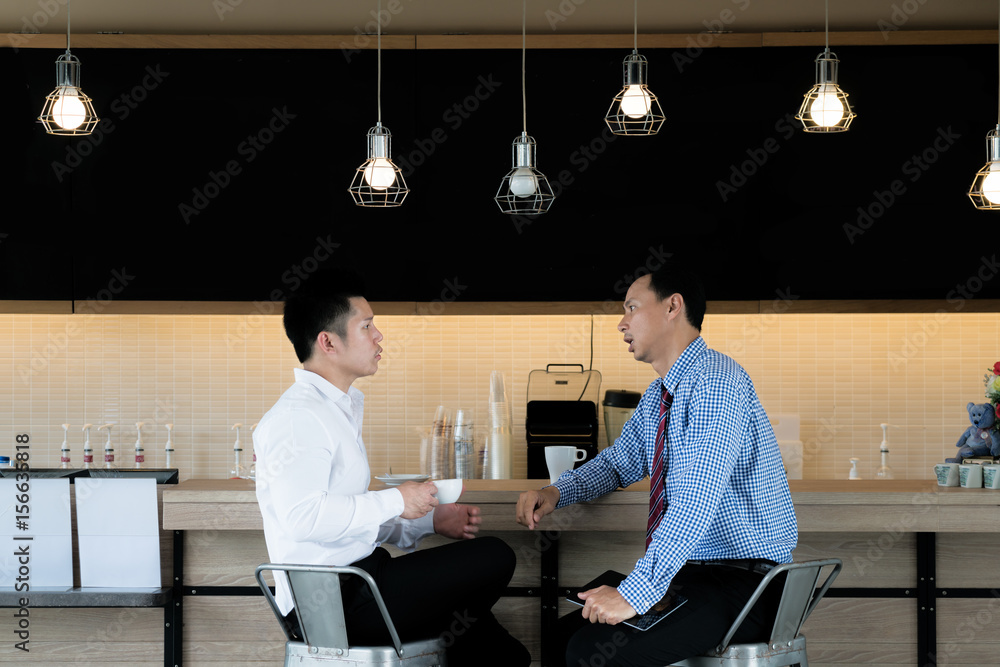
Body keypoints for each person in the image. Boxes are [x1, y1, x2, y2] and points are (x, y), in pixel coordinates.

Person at [515, 264, 798, 666]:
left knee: (589, 651)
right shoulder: (659, 395)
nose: (621, 323)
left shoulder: (715, 383)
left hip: (745, 584)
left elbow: (694, 501)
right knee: (564, 636)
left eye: (631, 307)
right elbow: (617, 463)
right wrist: (555, 492)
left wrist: (635, 593)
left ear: (672, 307)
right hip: (695, 577)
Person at [255, 279, 530, 666]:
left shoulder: (334, 411)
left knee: (503, 655)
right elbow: (305, 519)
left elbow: (346, 520)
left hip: (362, 584)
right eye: (366, 326)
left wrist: (428, 523)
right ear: (328, 343)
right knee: (495, 556)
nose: (379, 335)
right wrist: (399, 499)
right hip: (334, 605)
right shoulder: (299, 418)